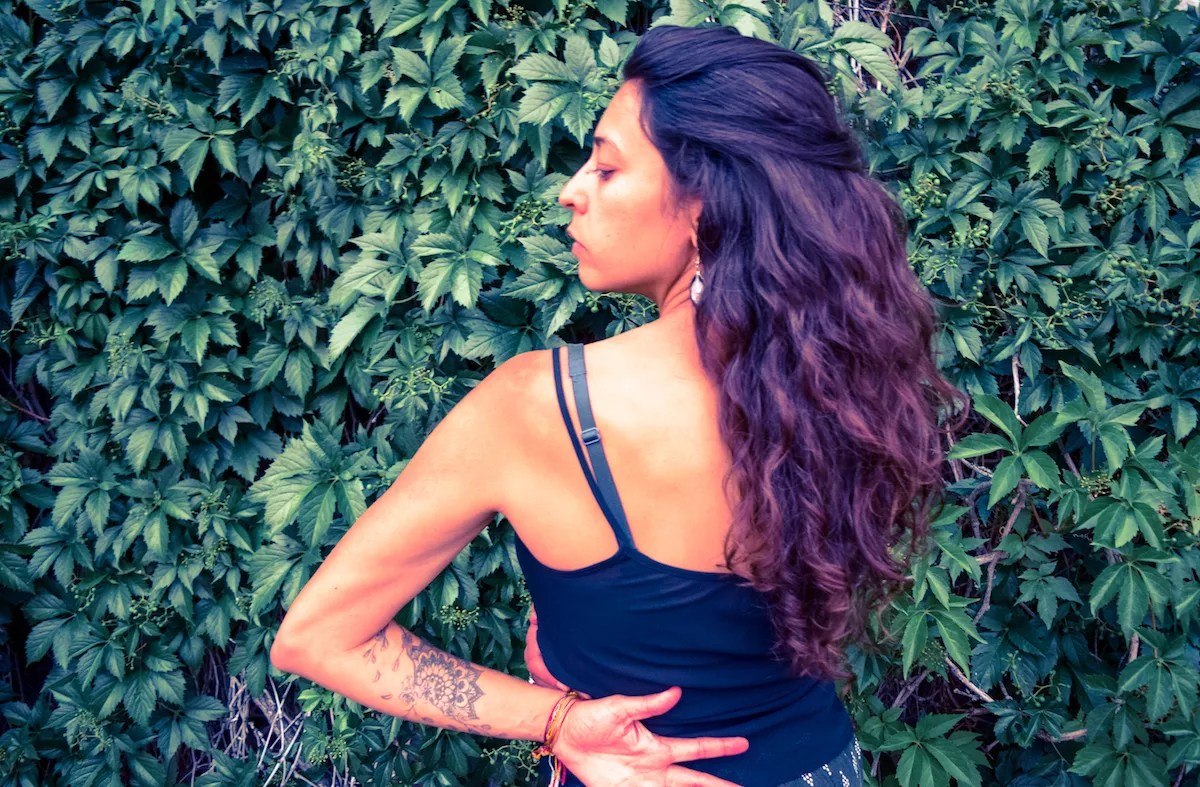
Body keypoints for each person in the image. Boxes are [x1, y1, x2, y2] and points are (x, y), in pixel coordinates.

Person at [270, 23, 969, 787]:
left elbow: (318, 636)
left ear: (702, 204)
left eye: (606, 168)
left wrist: (556, 718)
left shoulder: (538, 408)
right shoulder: (843, 382)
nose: (570, 190)